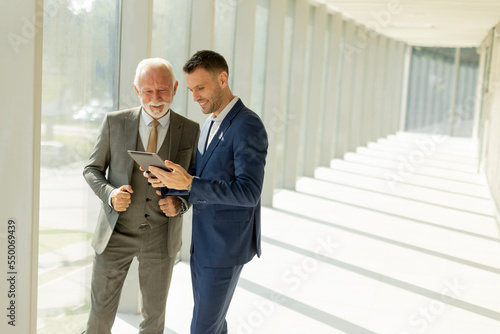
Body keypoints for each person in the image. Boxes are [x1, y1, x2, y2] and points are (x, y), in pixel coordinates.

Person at [146, 50, 268, 334]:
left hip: (225, 247)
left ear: (222, 79)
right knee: (213, 325)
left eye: (200, 88)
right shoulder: (212, 122)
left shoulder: (247, 125)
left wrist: (189, 184)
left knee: (202, 328)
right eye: (190, 90)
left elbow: (249, 192)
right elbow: (201, 175)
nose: (195, 96)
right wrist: (170, 184)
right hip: (202, 244)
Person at [83, 58, 200, 334]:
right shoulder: (114, 123)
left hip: (161, 238)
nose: (155, 98)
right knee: (99, 317)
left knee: (154, 320)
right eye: (148, 91)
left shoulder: (191, 131)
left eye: (162, 90)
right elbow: (92, 169)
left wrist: (180, 202)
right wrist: (110, 194)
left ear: (174, 88)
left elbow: (197, 181)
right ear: (137, 90)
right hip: (115, 234)